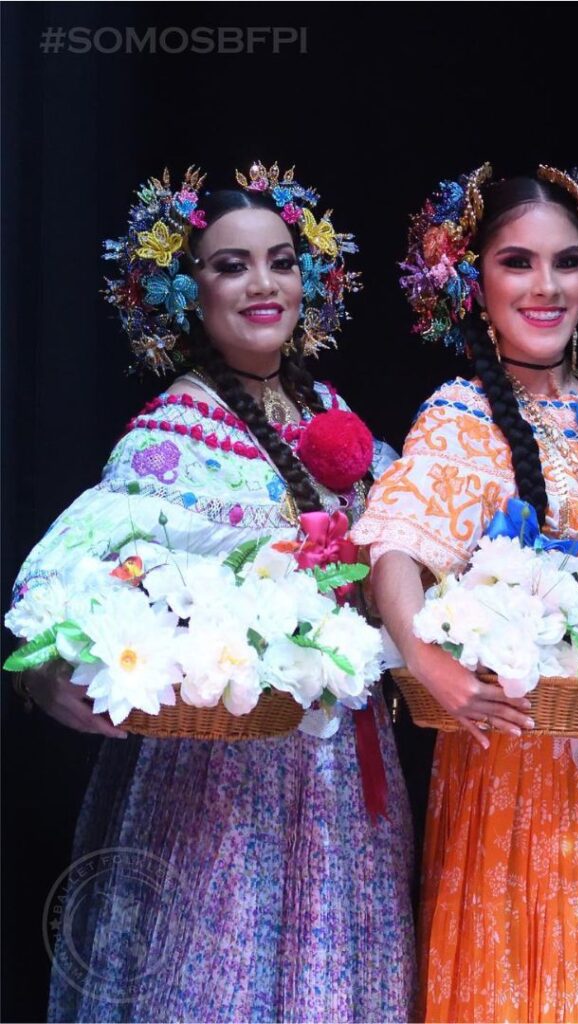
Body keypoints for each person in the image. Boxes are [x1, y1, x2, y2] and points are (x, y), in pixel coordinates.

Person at [8, 163, 415, 1022]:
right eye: (231, 265)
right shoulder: (169, 438)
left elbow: (397, 554)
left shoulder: (332, 410)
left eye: (281, 260)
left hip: (339, 766)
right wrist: (47, 671)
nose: (264, 284)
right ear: (185, 292)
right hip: (219, 776)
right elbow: (61, 572)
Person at [350, 164, 578, 1022]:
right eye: (517, 262)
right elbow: (395, 546)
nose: (546, 286)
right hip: (524, 773)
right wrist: (428, 662)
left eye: (567, 262)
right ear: (473, 281)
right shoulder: (463, 416)